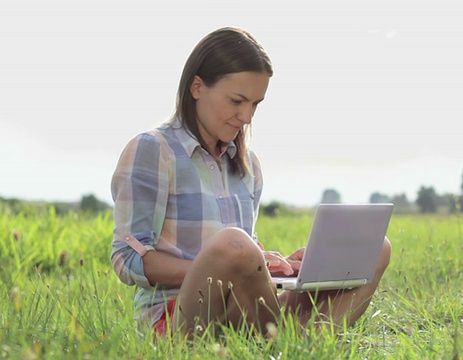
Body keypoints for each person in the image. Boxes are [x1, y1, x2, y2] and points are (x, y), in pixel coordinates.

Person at [110, 27, 392, 338]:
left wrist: (270, 265)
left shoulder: (247, 165)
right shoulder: (153, 150)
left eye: (255, 104)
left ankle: (303, 345)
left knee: (374, 247)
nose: (246, 116)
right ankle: (288, 342)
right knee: (234, 245)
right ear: (197, 87)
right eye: (236, 101)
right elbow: (128, 257)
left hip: (244, 308)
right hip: (175, 314)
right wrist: (223, 270)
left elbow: (243, 249)